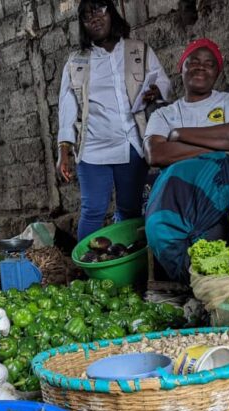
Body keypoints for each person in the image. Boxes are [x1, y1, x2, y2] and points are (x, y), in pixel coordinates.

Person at [56, 0, 171, 241]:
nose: (95, 19)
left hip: (131, 144)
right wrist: (63, 151)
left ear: (112, 14)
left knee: (129, 210)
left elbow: (162, 80)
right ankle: (89, 269)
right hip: (93, 148)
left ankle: (124, 262)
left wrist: (157, 91)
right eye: (87, 16)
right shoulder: (76, 62)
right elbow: (67, 107)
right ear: (83, 25)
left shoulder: (138, 50)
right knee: (92, 210)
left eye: (99, 10)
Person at [144, 38, 229, 283]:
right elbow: (156, 154)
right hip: (176, 194)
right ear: (180, 67)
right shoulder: (165, 113)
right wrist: (216, 148)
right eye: (193, 61)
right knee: (161, 228)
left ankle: (210, 285)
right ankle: (194, 283)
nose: (200, 67)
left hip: (217, 187)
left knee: (212, 233)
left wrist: (179, 136)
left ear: (217, 72)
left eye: (209, 63)